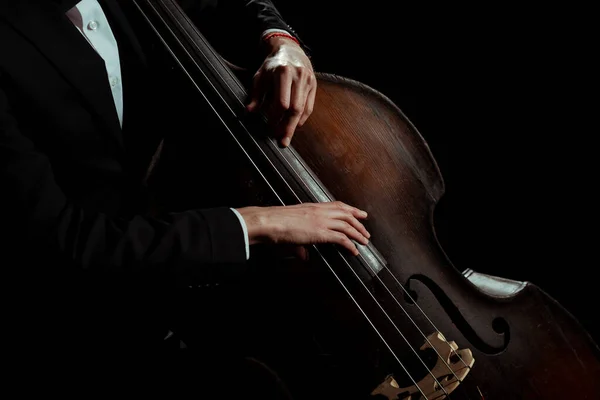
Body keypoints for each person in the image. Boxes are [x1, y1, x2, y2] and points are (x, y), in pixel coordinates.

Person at [0, 0, 369, 396]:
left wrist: (282, 43)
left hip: (207, 277)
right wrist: (260, 222)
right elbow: (64, 242)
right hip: (86, 326)